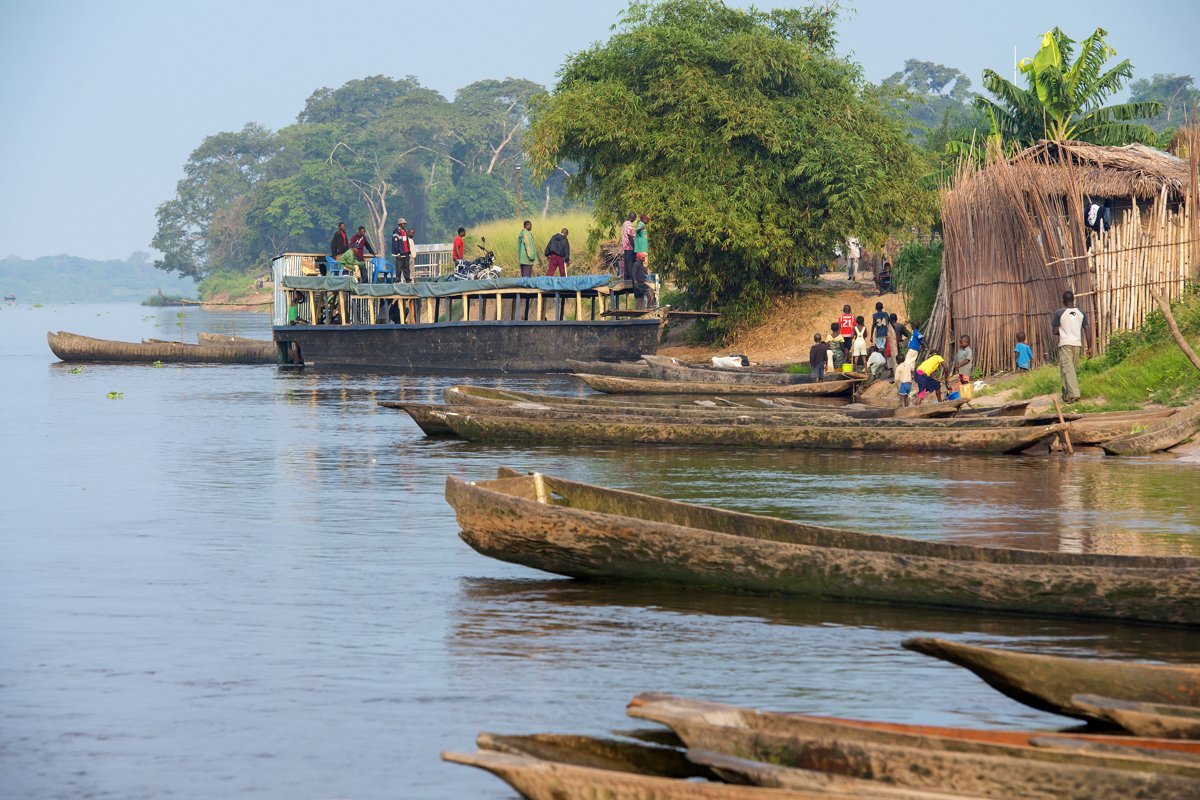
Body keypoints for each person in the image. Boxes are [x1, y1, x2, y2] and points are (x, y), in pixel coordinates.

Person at [1052, 290, 1091, 403]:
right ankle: (1066, 396)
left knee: (1068, 369)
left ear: (1063, 301)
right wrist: (1090, 347)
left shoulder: (1059, 313)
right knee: (1068, 369)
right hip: (1077, 344)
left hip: (1065, 344)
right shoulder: (1081, 312)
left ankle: (1075, 394)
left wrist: (1064, 331)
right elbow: (1087, 330)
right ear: (1073, 300)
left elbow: (1054, 331)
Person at [392, 218, 413, 282]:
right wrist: (397, 253)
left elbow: (406, 242)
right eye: (403, 223)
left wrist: (409, 252)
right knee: (399, 267)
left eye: (404, 223)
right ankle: (397, 280)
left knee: (406, 267)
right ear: (400, 224)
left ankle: (407, 279)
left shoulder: (405, 231)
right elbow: (395, 243)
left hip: (406, 252)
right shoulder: (396, 232)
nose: (404, 224)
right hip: (400, 253)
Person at [621, 213, 637, 281]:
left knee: (627, 264)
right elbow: (630, 237)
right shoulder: (629, 225)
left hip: (625, 246)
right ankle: (631, 280)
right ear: (633, 218)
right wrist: (634, 247)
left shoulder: (625, 223)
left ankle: (626, 278)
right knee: (630, 264)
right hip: (630, 247)